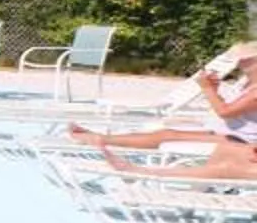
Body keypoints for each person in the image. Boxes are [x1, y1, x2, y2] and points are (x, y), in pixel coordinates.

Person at [69, 42, 257, 171]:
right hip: (227, 134)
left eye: (246, 61)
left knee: (167, 136)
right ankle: (101, 138)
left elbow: (225, 112)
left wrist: (208, 89)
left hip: (241, 142)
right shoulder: (246, 83)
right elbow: (228, 107)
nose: (240, 63)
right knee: (165, 133)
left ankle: (100, 140)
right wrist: (214, 88)